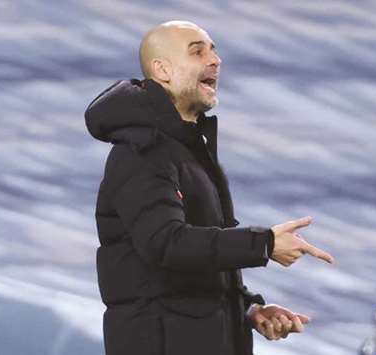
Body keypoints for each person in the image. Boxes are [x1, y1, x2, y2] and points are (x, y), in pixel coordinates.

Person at [84, 20, 334, 355]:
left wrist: (247, 310)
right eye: (197, 51)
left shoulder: (186, 150)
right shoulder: (142, 152)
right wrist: (264, 243)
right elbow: (165, 243)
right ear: (162, 70)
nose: (215, 60)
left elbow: (192, 265)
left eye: (213, 50)